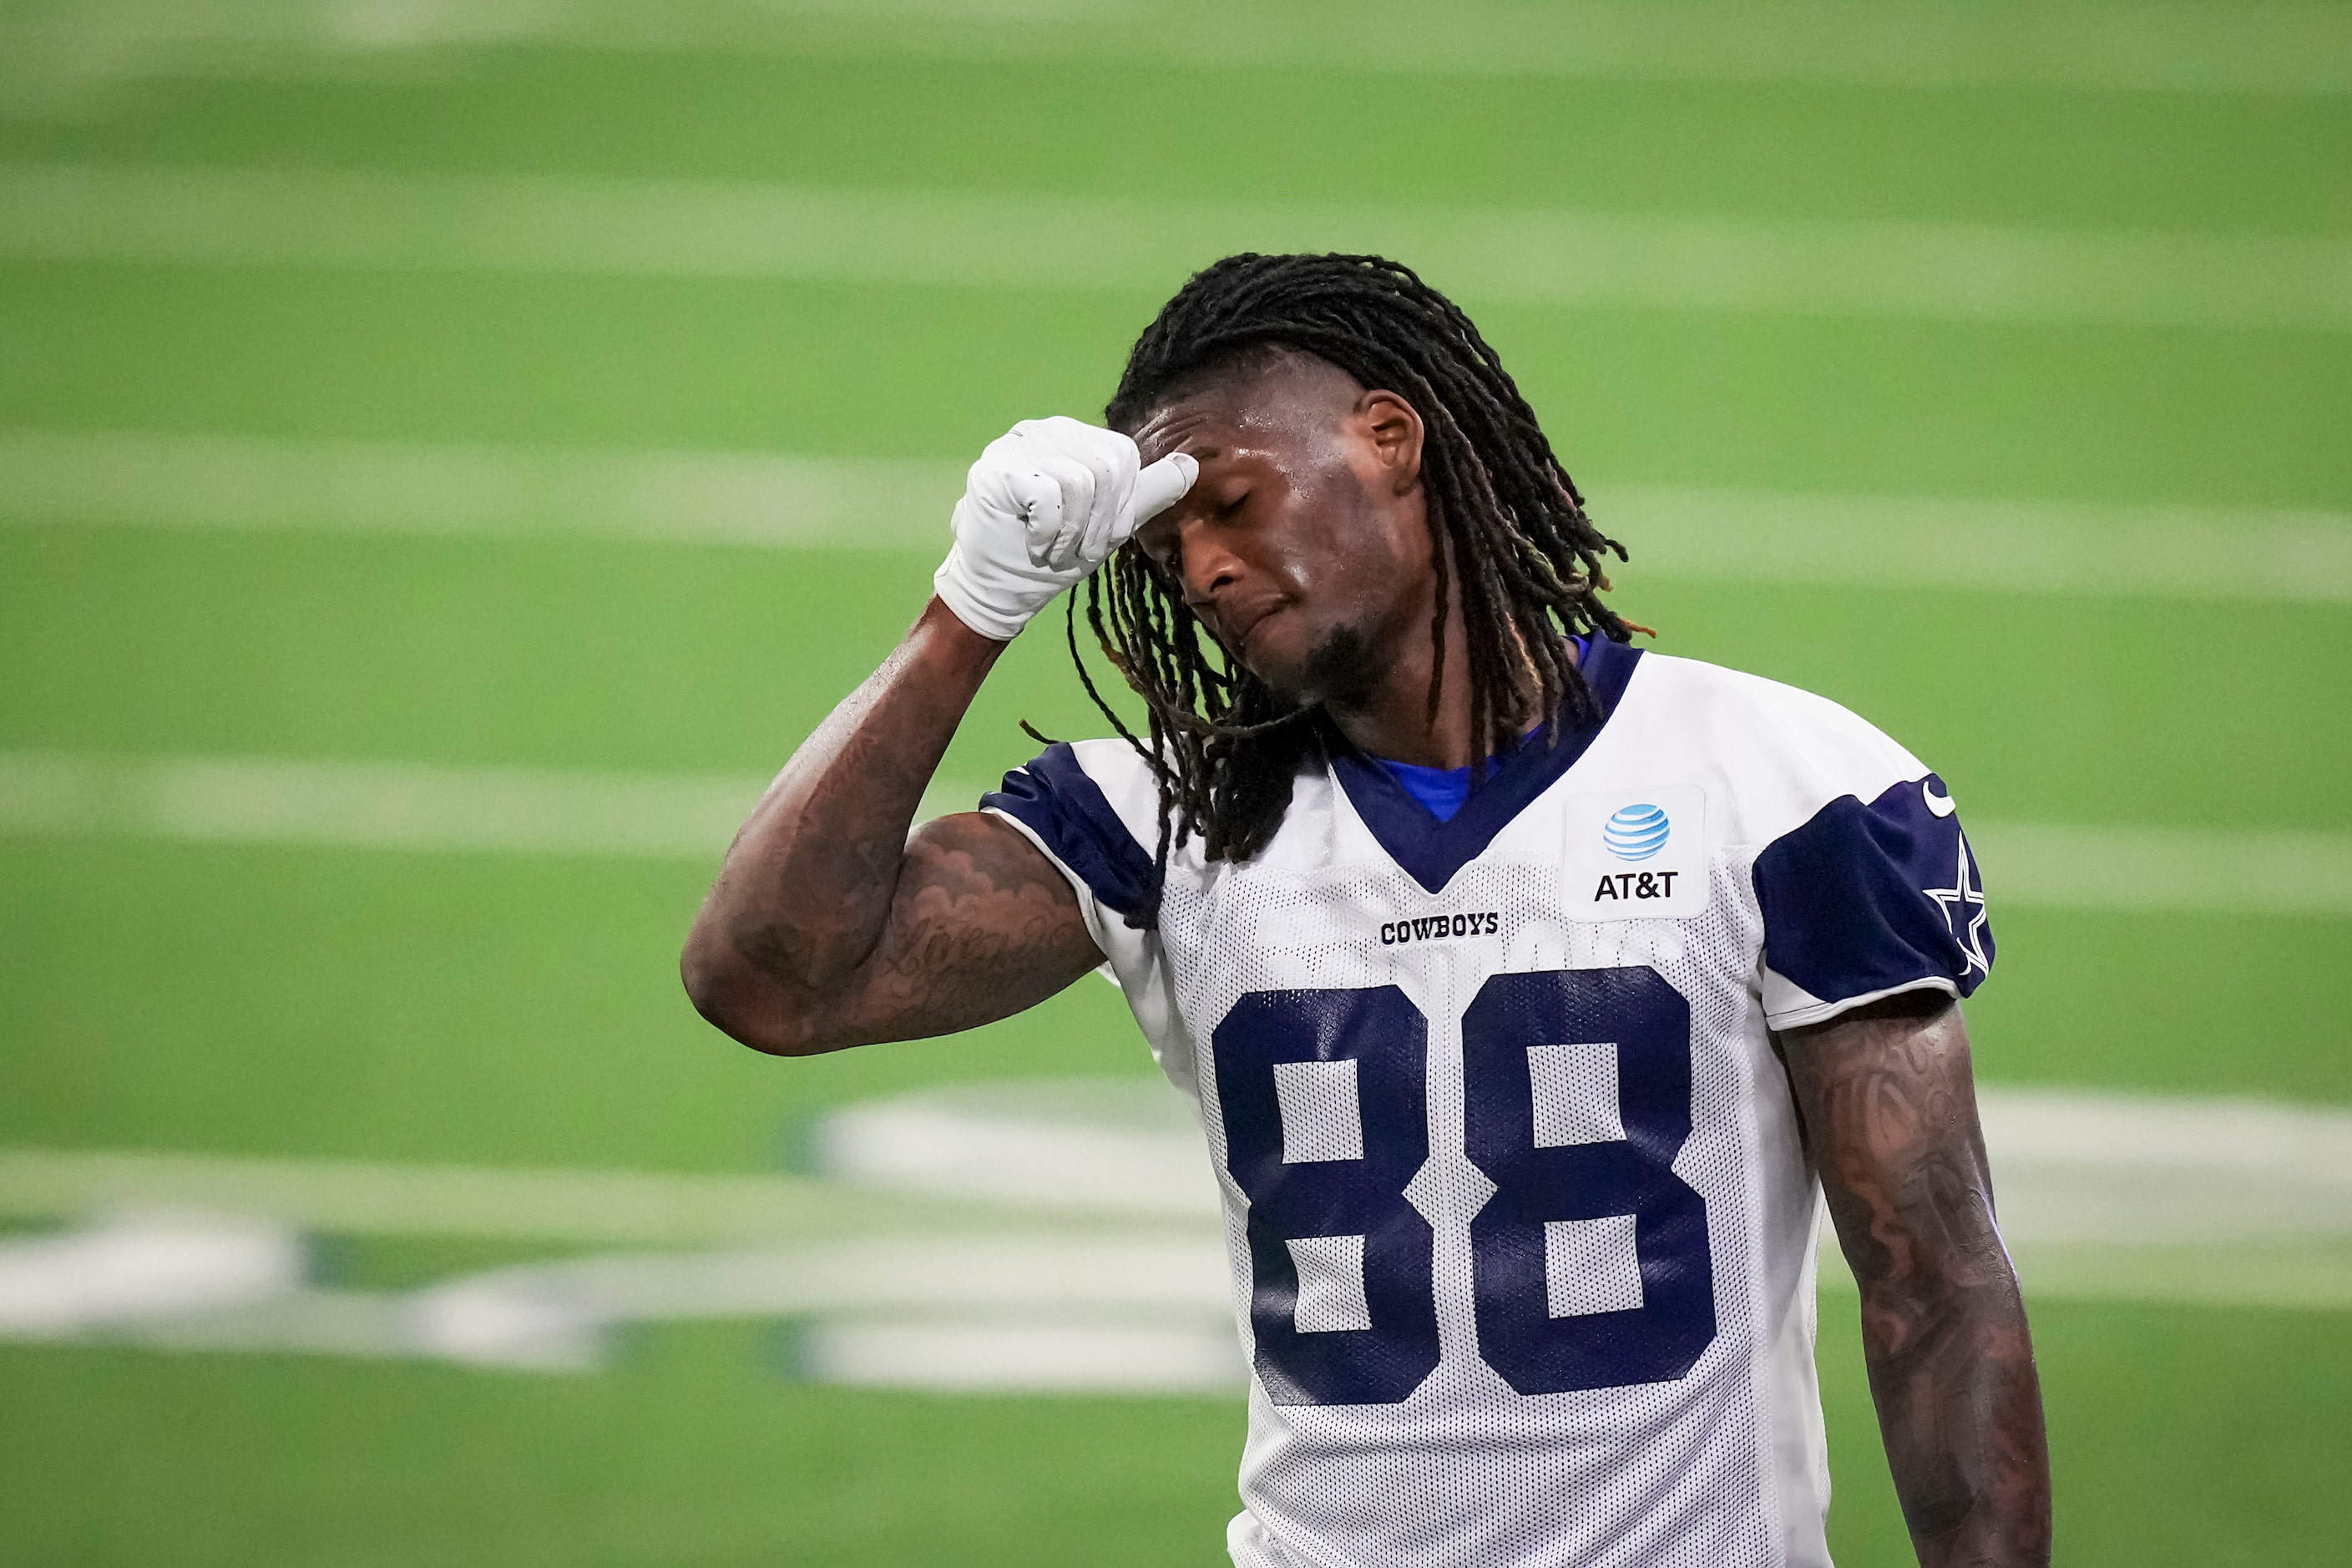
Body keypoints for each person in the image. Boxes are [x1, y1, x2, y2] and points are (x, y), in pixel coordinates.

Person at [682, 253, 2051, 1568]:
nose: (1202, 571)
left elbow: (1932, 1282)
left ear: (1388, 437)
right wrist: (969, 610)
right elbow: (771, 981)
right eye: (1163, 554)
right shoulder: (1168, 822)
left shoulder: (1779, 783)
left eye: (1231, 501)